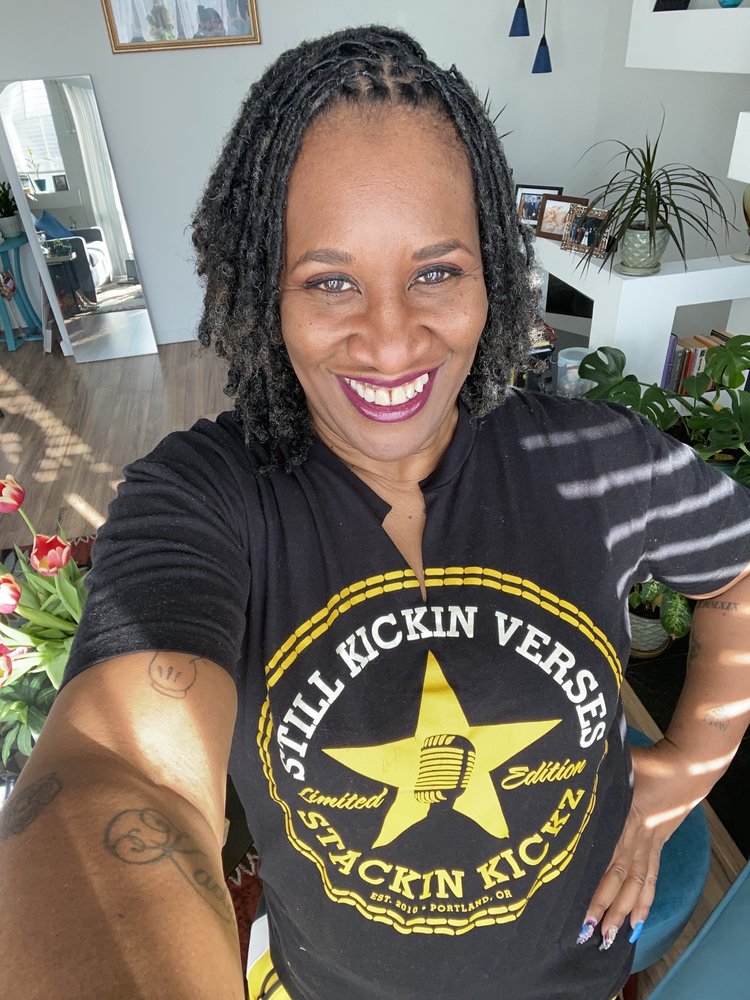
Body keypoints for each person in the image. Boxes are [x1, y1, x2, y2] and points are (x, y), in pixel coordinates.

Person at [1, 25, 749, 1000]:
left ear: (492, 273)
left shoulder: (594, 461)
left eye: (436, 271)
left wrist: (684, 770)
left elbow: (738, 569)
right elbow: (121, 770)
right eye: (330, 281)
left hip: (574, 972)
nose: (391, 341)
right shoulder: (203, 498)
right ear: (265, 294)